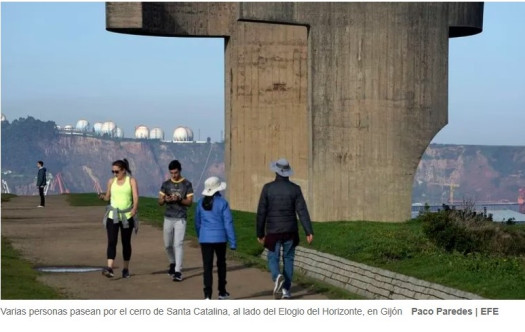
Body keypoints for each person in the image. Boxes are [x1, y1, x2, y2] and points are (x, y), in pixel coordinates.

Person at [256, 158, 314, 299]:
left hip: (273, 231)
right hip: (290, 230)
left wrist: (260, 233)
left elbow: (261, 212)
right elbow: (302, 211)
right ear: (288, 172)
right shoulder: (295, 189)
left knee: (272, 257)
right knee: (288, 258)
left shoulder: (267, 188)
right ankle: (286, 290)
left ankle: (277, 277)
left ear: (276, 172)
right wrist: (308, 231)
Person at [195, 176, 236, 300]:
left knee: (207, 267)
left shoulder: (200, 203)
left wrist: (200, 235)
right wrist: (233, 242)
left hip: (205, 238)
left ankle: (207, 294)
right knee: (221, 264)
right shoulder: (223, 203)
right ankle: (222, 291)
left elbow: (197, 222)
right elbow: (228, 223)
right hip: (220, 239)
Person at [99, 159, 139, 279]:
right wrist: (102, 197)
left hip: (127, 216)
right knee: (112, 241)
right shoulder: (111, 181)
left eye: (117, 171)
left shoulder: (131, 181)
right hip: (113, 216)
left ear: (123, 170)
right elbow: (108, 197)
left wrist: (134, 209)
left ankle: (125, 268)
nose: (115, 174)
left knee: (126, 243)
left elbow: (136, 197)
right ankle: (110, 268)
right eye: (113, 171)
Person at [158, 160, 194, 281]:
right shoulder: (166, 184)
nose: (174, 175)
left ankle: (178, 271)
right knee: (167, 245)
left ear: (180, 170)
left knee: (178, 244)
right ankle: (172, 263)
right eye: (172, 173)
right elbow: (160, 202)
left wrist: (179, 199)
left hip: (180, 218)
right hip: (168, 217)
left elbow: (189, 202)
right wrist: (166, 199)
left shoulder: (187, 184)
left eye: (176, 172)